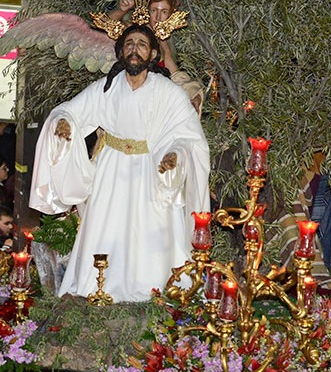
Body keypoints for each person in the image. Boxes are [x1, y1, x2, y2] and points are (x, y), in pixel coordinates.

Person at [31, 24, 210, 302]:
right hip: (111, 171)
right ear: (120, 52)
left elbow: (189, 137)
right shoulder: (106, 88)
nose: (134, 49)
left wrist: (175, 155)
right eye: (129, 44)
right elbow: (71, 110)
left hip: (150, 170)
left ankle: (152, 291)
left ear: (152, 54)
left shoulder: (169, 93)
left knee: (150, 232)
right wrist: (64, 122)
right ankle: (96, 288)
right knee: (104, 229)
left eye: (141, 44)